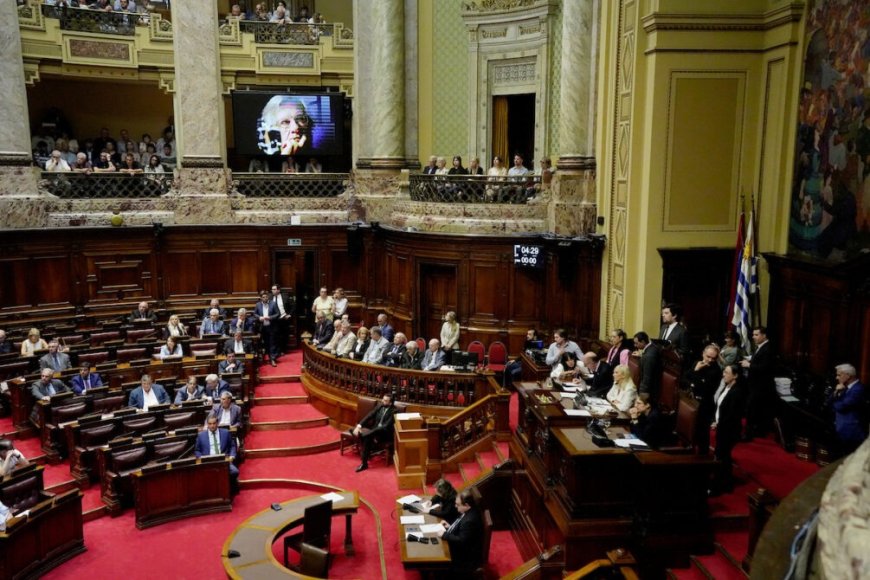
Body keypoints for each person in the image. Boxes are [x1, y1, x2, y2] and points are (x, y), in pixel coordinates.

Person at [710, 364, 745, 495]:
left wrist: (719, 424)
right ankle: (724, 481)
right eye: (724, 371)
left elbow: (732, 415)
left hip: (729, 430)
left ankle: (722, 485)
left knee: (722, 456)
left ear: (735, 375)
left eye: (727, 372)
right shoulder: (727, 387)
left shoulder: (737, 392)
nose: (724, 374)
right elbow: (720, 406)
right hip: (722, 428)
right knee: (722, 456)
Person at [435, 489, 484, 577]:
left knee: (434, 553)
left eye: (458, 504)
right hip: (463, 548)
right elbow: (464, 532)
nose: (455, 506)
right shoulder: (469, 511)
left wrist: (444, 534)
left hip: (464, 558)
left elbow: (461, 540)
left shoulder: (469, 521)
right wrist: (450, 527)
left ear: (467, 505)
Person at [739, 326, 776, 440]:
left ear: (764, 335)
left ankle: (748, 435)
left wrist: (749, 365)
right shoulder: (761, 347)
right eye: (753, 334)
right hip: (754, 384)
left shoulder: (768, 348)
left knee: (752, 409)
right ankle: (756, 431)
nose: (753, 337)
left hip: (761, 386)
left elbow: (765, 367)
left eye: (756, 335)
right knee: (753, 409)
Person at [685, 344, 722, 454]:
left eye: (713, 358)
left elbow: (704, 388)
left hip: (705, 405)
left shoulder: (716, 371)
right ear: (703, 354)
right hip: (691, 401)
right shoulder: (696, 363)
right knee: (690, 430)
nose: (710, 360)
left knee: (702, 433)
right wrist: (695, 372)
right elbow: (685, 378)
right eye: (708, 357)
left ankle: (703, 456)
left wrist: (696, 373)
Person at [826, 363, 867, 455]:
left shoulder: (858, 389)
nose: (837, 378)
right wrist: (836, 391)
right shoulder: (843, 387)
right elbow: (828, 402)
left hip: (851, 433)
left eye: (839, 375)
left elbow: (840, 407)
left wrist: (834, 401)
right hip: (840, 429)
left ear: (848, 375)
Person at [350, 393, 396, 472]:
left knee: (366, 436)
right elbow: (369, 415)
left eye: (385, 401)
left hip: (384, 434)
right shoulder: (380, 406)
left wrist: (370, 432)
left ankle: (365, 456)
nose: (382, 401)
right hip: (374, 431)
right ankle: (364, 463)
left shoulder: (394, 411)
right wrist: (359, 426)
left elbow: (385, 426)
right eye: (383, 399)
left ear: (390, 403)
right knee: (363, 435)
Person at [194, 416, 239, 481]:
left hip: (223, 461)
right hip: (208, 462)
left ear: (217, 423)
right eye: (210, 424)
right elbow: (197, 450)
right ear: (207, 424)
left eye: (214, 423)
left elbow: (232, 446)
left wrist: (232, 456)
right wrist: (200, 458)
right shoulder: (201, 435)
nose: (212, 426)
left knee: (234, 472)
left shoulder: (225, 432)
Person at [633, 331, 662, 402]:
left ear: (643, 342)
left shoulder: (649, 356)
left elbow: (647, 376)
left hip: (649, 391)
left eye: (637, 343)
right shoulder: (652, 347)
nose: (635, 345)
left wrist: (643, 392)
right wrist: (641, 355)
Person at [255, 290, 280, 366]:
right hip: (263, 327)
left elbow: (278, 314)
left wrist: (270, 317)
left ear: (268, 297)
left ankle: (272, 359)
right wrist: (259, 317)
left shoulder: (273, 303)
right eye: (263, 297)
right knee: (266, 343)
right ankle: (269, 357)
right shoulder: (258, 305)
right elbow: (254, 314)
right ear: (261, 298)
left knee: (272, 343)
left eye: (266, 297)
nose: (265, 298)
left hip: (271, 327)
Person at [270, 284, 293, 353]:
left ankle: (283, 350)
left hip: (283, 319)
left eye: (274, 289)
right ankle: (276, 350)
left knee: (284, 335)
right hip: (274, 319)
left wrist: (289, 315)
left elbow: (292, 306)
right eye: (272, 289)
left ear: (278, 290)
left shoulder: (285, 297)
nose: (272, 291)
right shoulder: (270, 297)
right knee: (275, 335)